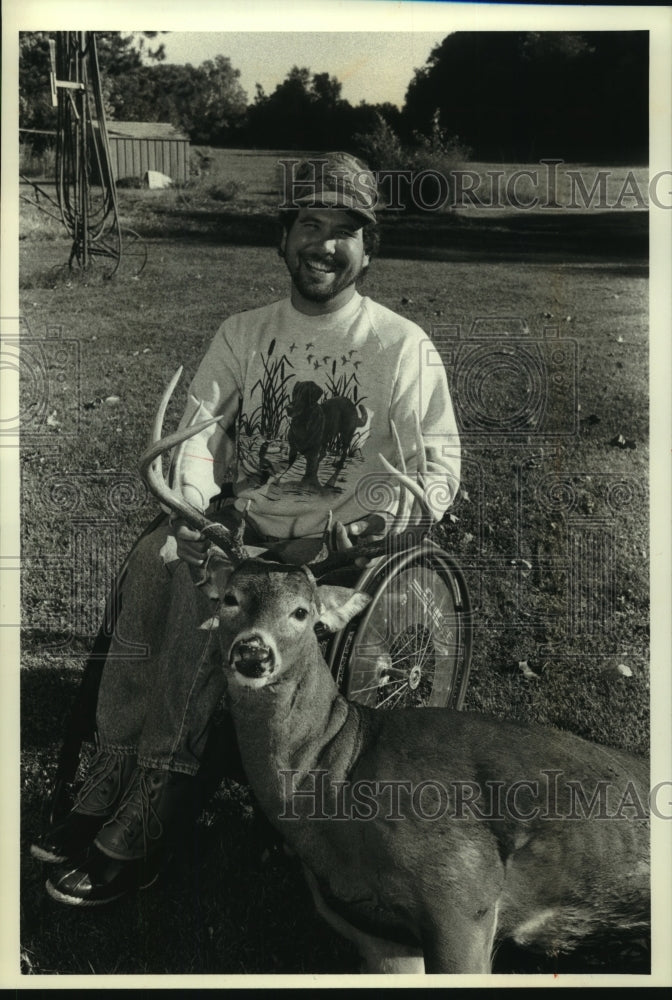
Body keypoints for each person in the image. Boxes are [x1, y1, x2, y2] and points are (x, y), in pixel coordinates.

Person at [32, 152, 461, 906]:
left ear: (369, 248)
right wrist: (194, 508)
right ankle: (111, 767)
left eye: (344, 231)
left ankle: (152, 809)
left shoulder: (401, 346)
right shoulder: (244, 333)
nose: (323, 245)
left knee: (227, 608)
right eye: (309, 224)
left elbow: (439, 469)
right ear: (283, 236)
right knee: (157, 558)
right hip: (237, 532)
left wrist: (382, 521)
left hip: (329, 557)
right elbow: (196, 436)